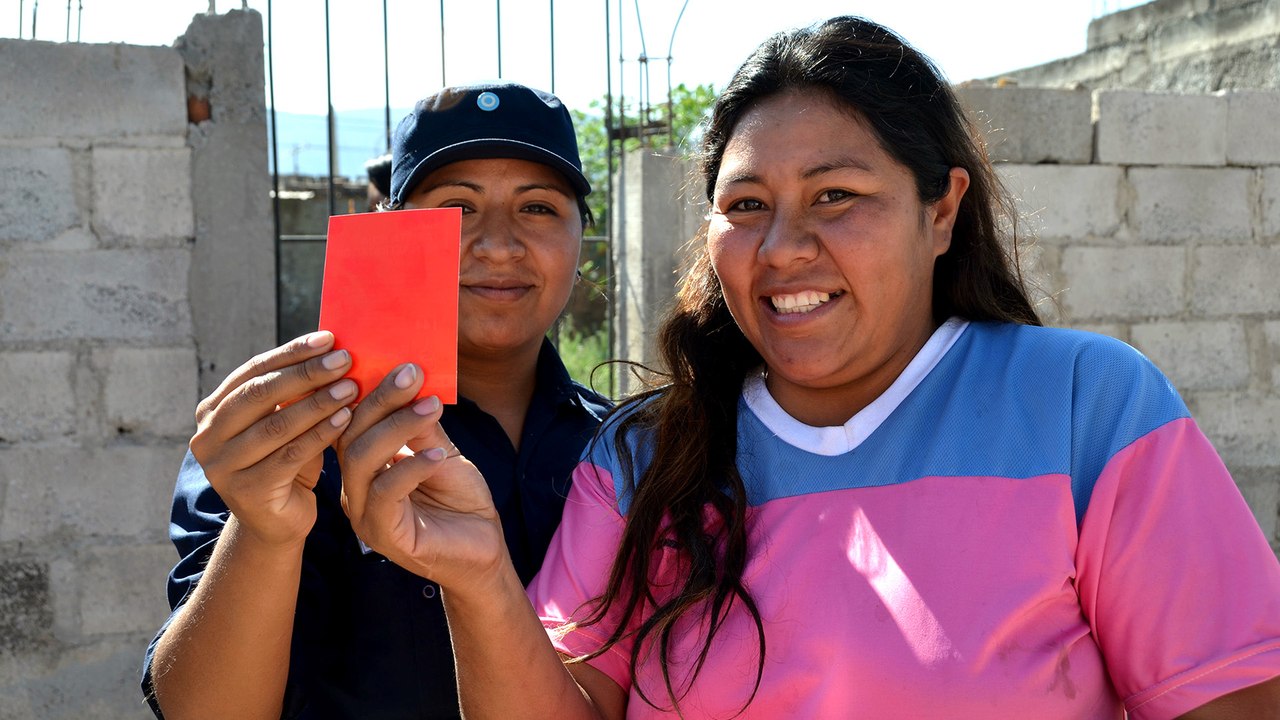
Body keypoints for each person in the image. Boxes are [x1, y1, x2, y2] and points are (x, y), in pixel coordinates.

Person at [339, 16, 1280, 720]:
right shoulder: (639, 459)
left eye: (837, 195)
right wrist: (480, 581)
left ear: (941, 209)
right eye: (746, 204)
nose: (785, 247)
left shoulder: (1087, 407)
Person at [141, 81, 611, 719]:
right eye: (457, 207)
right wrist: (265, 533)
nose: (498, 244)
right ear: (393, 234)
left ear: (582, 238)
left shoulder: (627, 451)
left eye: (537, 208)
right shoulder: (289, 440)